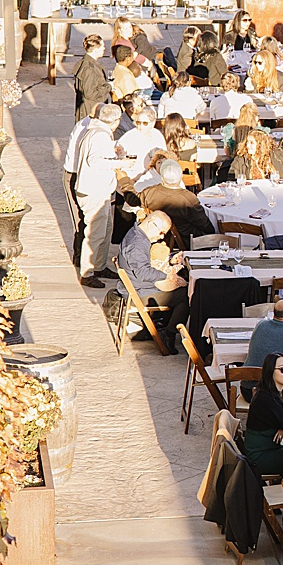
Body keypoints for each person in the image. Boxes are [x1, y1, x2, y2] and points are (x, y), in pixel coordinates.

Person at [74, 104, 125, 287]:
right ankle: (87, 272)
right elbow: (95, 161)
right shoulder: (100, 135)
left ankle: (99, 265)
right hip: (93, 190)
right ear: (116, 121)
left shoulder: (99, 131)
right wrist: (120, 164)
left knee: (106, 230)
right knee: (95, 233)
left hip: (100, 190)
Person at [119, 209, 190, 339]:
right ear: (152, 223)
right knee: (187, 295)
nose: (162, 236)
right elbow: (143, 272)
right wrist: (167, 276)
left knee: (182, 284)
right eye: (161, 232)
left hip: (139, 287)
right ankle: (168, 335)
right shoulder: (137, 244)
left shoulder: (137, 234)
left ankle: (164, 324)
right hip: (140, 292)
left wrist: (170, 259)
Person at [243, 351, 283, 478]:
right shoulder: (265, 398)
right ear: (270, 372)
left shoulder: (282, 391)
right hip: (260, 456)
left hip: (273, 447)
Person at [139, 158, 215, 245]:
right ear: (181, 177)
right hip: (188, 241)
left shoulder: (150, 193)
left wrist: (124, 181)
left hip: (160, 238)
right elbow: (205, 226)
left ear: (162, 178)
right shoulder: (188, 198)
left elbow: (132, 199)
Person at [73, 36, 111, 121]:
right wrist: (108, 87)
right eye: (102, 46)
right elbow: (90, 93)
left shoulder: (86, 63)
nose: (104, 48)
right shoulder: (89, 68)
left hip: (89, 108)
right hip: (90, 110)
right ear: (96, 49)